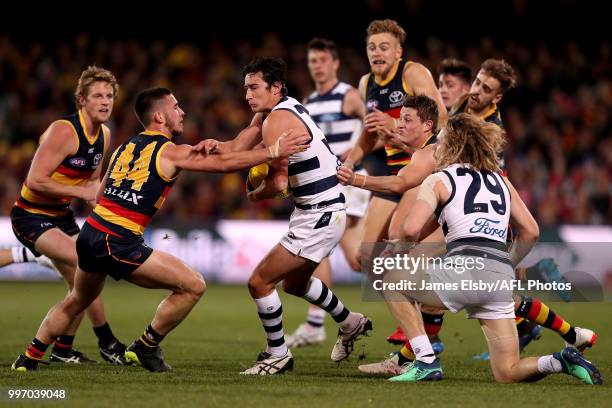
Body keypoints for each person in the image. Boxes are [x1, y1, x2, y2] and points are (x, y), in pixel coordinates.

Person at [11, 87, 308, 372]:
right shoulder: (168, 151)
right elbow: (225, 164)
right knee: (193, 285)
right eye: (175, 107)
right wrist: (273, 151)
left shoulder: (124, 147)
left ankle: (29, 357)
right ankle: (146, 346)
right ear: (160, 117)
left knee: (77, 299)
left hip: (90, 233)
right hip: (119, 239)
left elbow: (99, 196)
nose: (182, 111)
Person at [381, 113, 602, 385]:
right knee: (508, 371)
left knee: (391, 279)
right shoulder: (501, 180)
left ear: (454, 146)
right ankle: (559, 360)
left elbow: (410, 228)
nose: (435, 148)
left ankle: (426, 361)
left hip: (464, 270)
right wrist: (507, 264)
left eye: (439, 142)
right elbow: (531, 231)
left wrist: (400, 250)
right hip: (499, 278)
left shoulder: (438, 180)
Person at [234, 57, 372, 375]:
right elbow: (240, 141)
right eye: (246, 89)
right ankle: (350, 322)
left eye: (254, 88)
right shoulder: (285, 108)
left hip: (319, 214)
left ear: (276, 87)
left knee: (259, 282)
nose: (248, 96)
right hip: (323, 209)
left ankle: (277, 354)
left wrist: (254, 193)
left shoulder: (277, 121)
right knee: (294, 284)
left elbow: (280, 184)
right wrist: (219, 148)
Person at [9, 66, 125, 365]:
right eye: (97, 95)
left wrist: (107, 215)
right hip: (31, 216)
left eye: (109, 96)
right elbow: (35, 180)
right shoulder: (64, 130)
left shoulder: (104, 135)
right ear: (81, 100)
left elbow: (92, 187)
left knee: (83, 282)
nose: (105, 101)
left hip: (61, 216)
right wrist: (85, 193)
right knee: (86, 262)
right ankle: (105, 341)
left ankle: (63, 350)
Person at [284, 37, 369, 348]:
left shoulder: (347, 95)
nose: (316, 66)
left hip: (349, 180)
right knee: (344, 256)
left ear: (334, 63)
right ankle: (316, 322)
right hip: (327, 185)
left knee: (340, 254)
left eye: (321, 60)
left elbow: (370, 123)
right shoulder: (310, 101)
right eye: (312, 61)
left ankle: (316, 323)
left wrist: (354, 148)